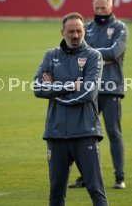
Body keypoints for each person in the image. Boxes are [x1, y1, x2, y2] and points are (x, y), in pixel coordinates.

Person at [33, 12, 108, 206]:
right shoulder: (51, 55)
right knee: (56, 194)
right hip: (56, 134)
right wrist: (69, 87)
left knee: (96, 190)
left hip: (84, 133)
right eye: (71, 31)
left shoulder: (93, 56)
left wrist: (55, 91)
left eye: (79, 31)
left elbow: (89, 92)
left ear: (84, 31)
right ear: (62, 32)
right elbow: (38, 88)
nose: (75, 35)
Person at [68, 0, 128, 189]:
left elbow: (114, 52)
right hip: (89, 88)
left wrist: (92, 55)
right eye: (97, 8)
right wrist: (102, 57)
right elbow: (79, 53)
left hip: (111, 87)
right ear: (93, 8)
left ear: (111, 6)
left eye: (104, 8)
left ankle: (120, 177)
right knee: (85, 133)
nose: (101, 11)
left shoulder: (120, 28)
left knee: (113, 132)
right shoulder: (87, 28)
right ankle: (86, 177)